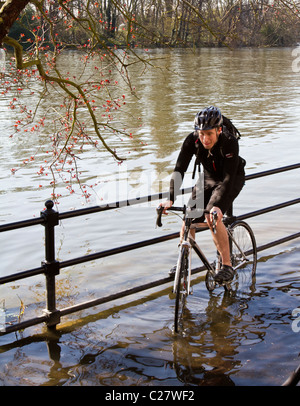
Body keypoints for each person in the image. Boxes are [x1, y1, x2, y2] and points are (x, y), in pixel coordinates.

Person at [160, 106, 246, 284]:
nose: (205, 139)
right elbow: (179, 169)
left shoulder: (229, 142)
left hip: (231, 178)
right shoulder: (192, 140)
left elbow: (228, 179)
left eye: (209, 134)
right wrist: (170, 198)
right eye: (201, 134)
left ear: (219, 130)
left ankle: (227, 266)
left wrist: (218, 206)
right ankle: (184, 261)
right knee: (189, 217)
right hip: (208, 178)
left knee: (211, 217)